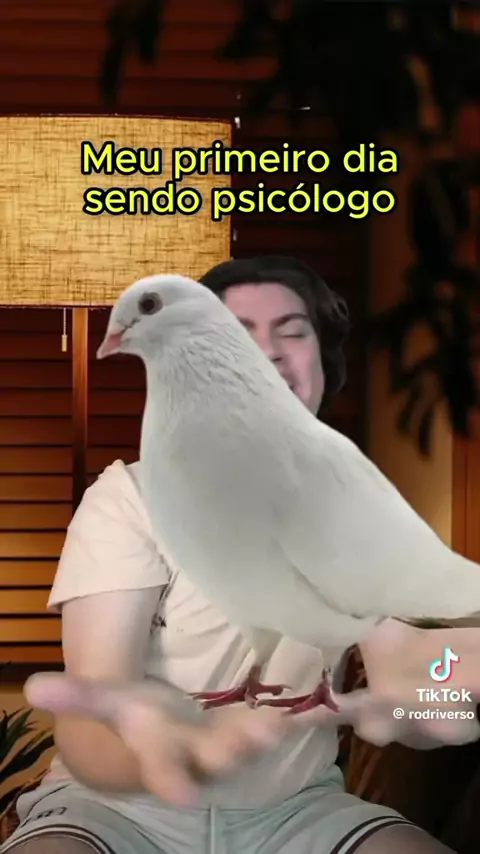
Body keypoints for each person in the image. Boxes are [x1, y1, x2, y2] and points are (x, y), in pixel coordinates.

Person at [1, 256, 455, 854]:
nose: (267, 354)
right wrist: (167, 756)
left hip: (297, 811)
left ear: (323, 366)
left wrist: (443, 687)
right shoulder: (129, 498)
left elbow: (410, 680)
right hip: (115, 811)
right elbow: (93, 714)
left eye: (293, 332)